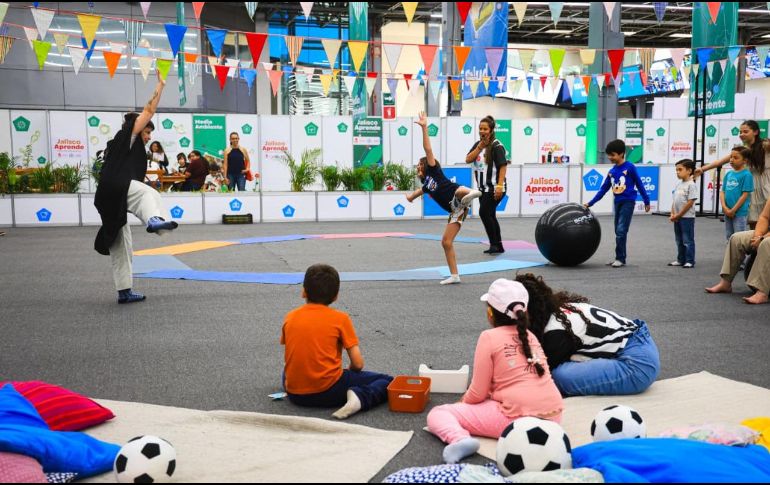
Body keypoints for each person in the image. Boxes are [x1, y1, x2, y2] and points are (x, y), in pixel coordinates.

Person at [426, 278, 563, 464]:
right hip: (553, 416)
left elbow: (477, 393)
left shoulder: (489, 337)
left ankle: (460, 439)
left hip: (519, 417)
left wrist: (463, 402)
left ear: (490, 312)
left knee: (440, 413)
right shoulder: (530, 336)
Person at [93, 70, 178, 304]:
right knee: (147, 192)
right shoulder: (128, 135)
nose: (149, 137)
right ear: (138, 127)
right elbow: (149, 109)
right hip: (116, 188)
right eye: (148, 131)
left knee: (122, 246)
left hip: (109, 197)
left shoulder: (120, 145)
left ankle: (124, 292)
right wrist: (160, 85)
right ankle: (153, 221)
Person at [515, 273, 660, 397]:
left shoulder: (554, 332)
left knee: (558, 377)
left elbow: (537, 374)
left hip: (637, 365)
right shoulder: (559, 309)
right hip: (639, 341)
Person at [281, 264, 393, 419]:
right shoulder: (341, 319)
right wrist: (350, 372)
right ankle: (359, 397)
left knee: (286, 372)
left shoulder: (290, 316)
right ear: (336, 296)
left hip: (295, 394)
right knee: (388, 381)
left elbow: (297, 351)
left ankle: (299, 381)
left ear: (304, 291)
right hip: (329, 392)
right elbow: (358, 364)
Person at [406, 112, 481, 285]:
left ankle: (472, 193)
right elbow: (416, 193)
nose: (418, 167)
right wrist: (409, 198)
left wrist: (424, 128)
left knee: (458, 191)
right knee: (446, 242)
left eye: (420, 164)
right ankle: (455, 275)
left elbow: (428, 149)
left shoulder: (433, 170)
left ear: (427, 165)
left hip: (457, 195)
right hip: (455, 210)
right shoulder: (426, 185)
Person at [584, 139, 651, 268]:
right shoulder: (612, 172)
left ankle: (620, 259)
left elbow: (639, 183)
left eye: (612, 155)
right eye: (608, 155)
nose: (610, 157)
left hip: (628, 202)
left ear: (621, 154)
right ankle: (620, 257)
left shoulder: (630, 167)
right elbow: (603, 189)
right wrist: (590, 203)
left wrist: (646, 200)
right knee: (618, 230)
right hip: (618, 203)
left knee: (621, 230)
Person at [697, 120, 770, 229]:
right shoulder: (743, 151)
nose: (742, 134)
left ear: (755, 132)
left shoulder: (765, 145)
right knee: (754, 224)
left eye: (745, 131)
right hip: (751, 188)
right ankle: (755, 245)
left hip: (766, 187)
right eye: (740, 132)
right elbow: (720, 162)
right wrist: (702, 169)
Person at [706, 199, 770, 305]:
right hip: (766, 234)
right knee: (736, 238)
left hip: (767, 238)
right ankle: (725, 283)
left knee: (766, 243)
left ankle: (762, 293)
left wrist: (762, 238)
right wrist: (757, 236)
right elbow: (764, 217)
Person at [465, 116, 508, 255]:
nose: (482, 131)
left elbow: (502, 166)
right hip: (483, 189)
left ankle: (494, 244)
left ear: (491, 130)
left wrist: (500, 186)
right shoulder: (478, 144)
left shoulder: (497, 145)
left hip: (495, 188)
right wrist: (479, 147)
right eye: (480, 129)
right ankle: (498, 245)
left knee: (484, 213)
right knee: (490, 215)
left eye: (485, 129)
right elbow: (468, 159)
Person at [720, 146, 754, 241]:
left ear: (745, 160)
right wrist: (725, 208)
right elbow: (722, 191)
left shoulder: (747, 175)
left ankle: (740, 256)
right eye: (731, 157)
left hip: (739, 213)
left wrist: (733, 210)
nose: (731, 160)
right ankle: (730, 256)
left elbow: (744, 195)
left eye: (736, 158)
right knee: (729, 236)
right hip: (727, 212)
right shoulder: (729, 174)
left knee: (739, 238)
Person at [669, 159, 698, 268]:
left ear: (689, 170)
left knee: (687, 240)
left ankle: (690, 260)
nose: (677, 172)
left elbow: (690, 202)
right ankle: (680, 259)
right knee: (679, 239)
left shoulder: (691, 185)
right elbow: (675, 200)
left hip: (687, 217)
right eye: (676, 170)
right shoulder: (678, 185)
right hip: (678, 217)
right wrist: (672, 213)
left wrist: (679, 214)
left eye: (680, 169)